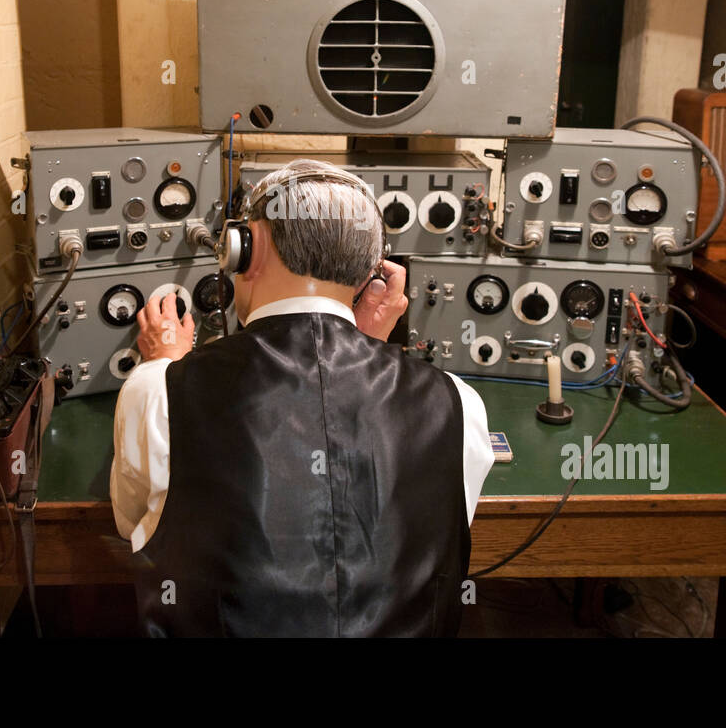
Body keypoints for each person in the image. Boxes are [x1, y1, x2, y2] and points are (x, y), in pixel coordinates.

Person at [110, 159, 492, 636]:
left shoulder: (159, 392)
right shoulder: (457, 403)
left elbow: (133, 525)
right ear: (369, 270)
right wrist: (365, 344)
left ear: (249, 248)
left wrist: (164, 363)